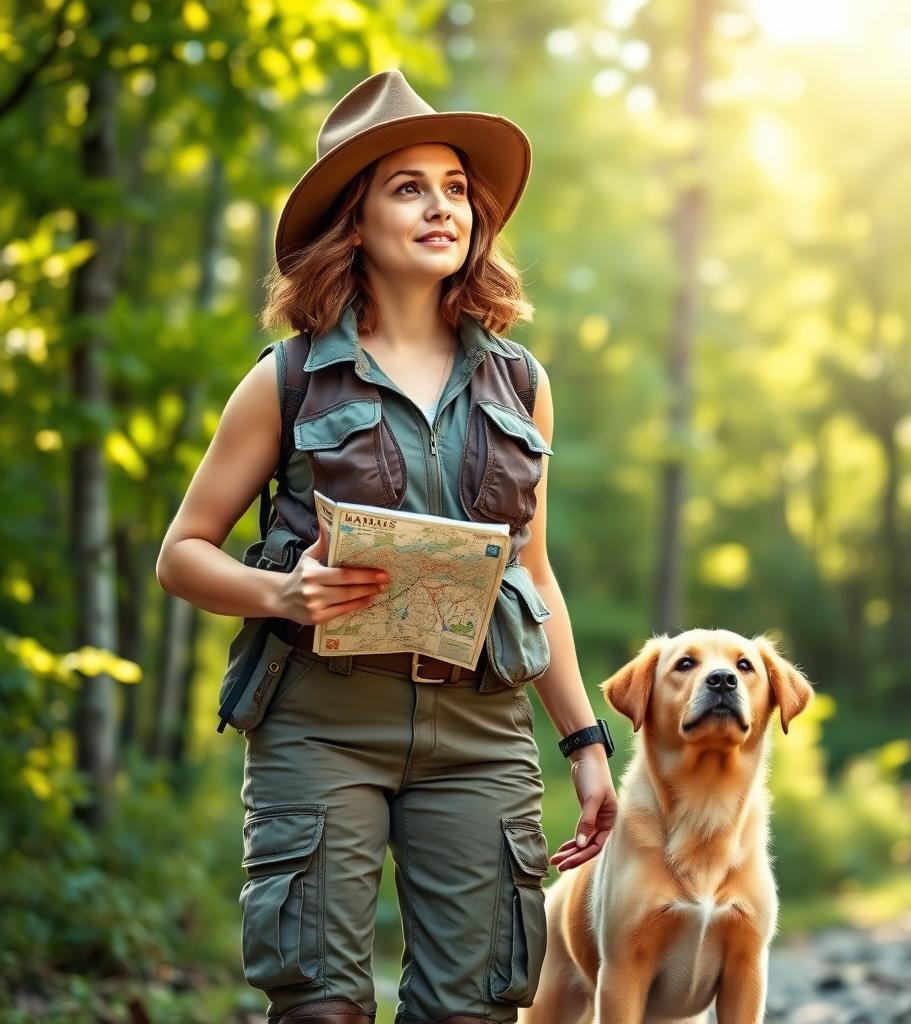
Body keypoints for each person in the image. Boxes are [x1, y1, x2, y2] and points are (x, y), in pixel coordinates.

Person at [156, 69, 617, 1024]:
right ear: (353, 223)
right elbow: (183, 553)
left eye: (455, 188)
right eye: (408, 187)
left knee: (475, 1005)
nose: (441, 206)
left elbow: (532, 572)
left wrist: (584, 743)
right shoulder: (284, 380)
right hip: (320, 727)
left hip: (482, 737)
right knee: (320, 1003)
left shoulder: (522, 384)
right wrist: (281, 594)